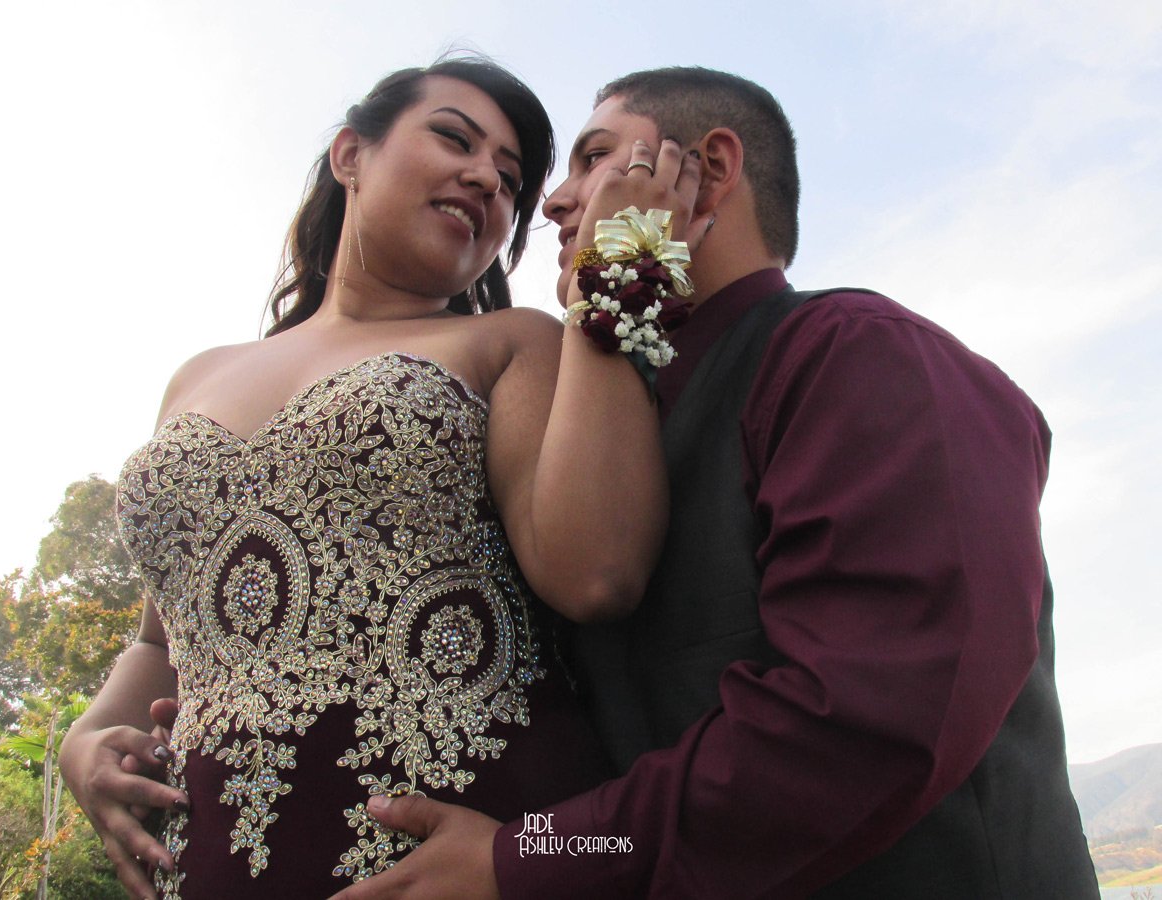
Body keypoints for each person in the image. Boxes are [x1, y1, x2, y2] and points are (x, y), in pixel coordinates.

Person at [339, 67, 1100, 899]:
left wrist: (531, 856)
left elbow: (860, 728)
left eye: (593, 157)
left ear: (709, 171)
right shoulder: (593, 451)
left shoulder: (861, 354)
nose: (553, 203)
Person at [59, 57, 704, 900]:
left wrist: (614, 275)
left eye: (510, 181)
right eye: (453, 138)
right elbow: (160, 641)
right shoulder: (196, 377)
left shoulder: (513, 343)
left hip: (452, 851)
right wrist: (89, 736)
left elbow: (598, 572)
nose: (486, 179)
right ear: (349, 156)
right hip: (210, 863)